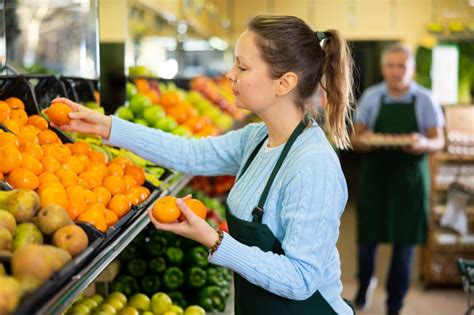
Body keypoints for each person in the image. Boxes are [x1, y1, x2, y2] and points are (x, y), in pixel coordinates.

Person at [56, 15, 355, 315]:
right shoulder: (255, 139)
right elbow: (191, 154)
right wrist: (109, 127)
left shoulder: (313, 166)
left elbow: (301, 279)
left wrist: (214, 239)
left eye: (242, 66)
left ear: (285, 83)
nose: (229, 74)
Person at [350, 44, 445, 315]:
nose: (396, 71)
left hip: (409, 183)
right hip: (376, 180)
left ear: (412, 69)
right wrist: (365, 142)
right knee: (368, 239)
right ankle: (365, 282)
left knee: (404, 245)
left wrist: (424, 144)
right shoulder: (371, 97)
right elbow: (357, 137)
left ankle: (395, 303)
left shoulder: (425, 100)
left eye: (402, 65)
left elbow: (439, 139)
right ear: (383, 68)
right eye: (390, 65)